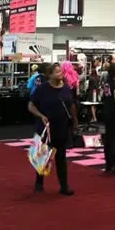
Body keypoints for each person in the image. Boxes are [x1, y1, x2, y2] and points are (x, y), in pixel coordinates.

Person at [28, 63, 77, 195]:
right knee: (42, 156)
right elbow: (31, 105)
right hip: (46, 128)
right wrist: (40, 115)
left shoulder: (66, 88)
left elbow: (71, 105)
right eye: (57, 72)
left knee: (61, 157)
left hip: (62, 127)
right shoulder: (42, 89)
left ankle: (64, 186)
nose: (60, 74)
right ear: (49, 75)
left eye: (61, 71)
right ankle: (39, 183)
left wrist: (75, 122)